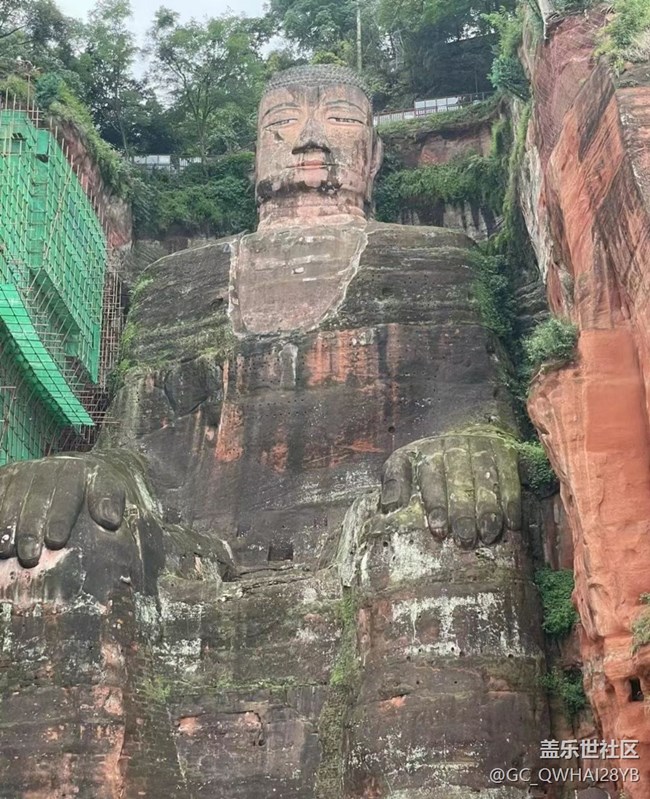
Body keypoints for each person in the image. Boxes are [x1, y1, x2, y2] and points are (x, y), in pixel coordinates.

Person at [0, 66, 545, 799]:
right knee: (60, 532)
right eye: (282, 124)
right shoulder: (177, 286)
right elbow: (132, 454)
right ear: (255, 151)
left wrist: (469, 447)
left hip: (372, 539)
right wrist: (84, 470)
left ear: (374, 155)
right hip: (188, 559)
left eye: (340, 120)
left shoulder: (432, 261)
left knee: (449, 522)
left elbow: (477, 414)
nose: (309, 140)